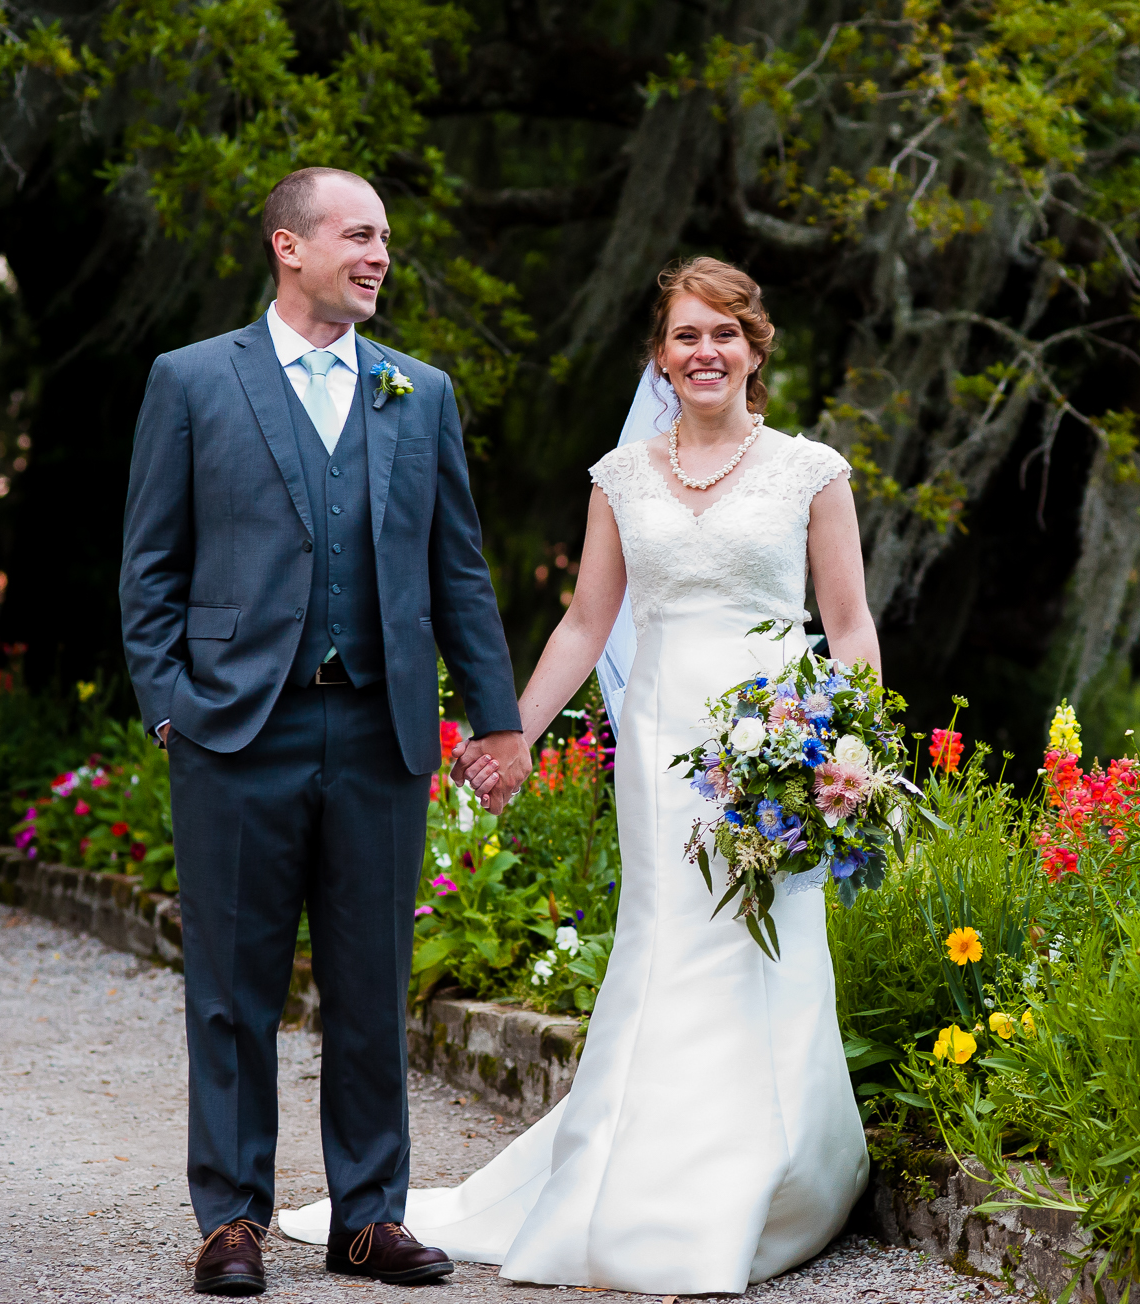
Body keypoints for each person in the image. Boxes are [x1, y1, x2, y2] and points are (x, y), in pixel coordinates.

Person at [278, 256, 878, 1292]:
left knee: (760, 950)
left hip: (779, 747)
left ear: (755, 347)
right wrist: (510, 732)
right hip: (658, 748)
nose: (704, 352)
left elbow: (850, 621)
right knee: (666, 949)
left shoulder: (812, 472)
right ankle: (638, 1179)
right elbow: (587, 621)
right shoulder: (621, 478)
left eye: (724, 334)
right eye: (686, 336)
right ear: (660, 353)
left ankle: (766, 1177)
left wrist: (854, 745)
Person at [119, 166, 532, 1296]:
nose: (378, 254)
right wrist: (171, 707)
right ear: (286, 246)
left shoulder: (420, 391)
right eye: (357, 234)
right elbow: (149, 566)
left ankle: (367, 1217)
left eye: (385, 238)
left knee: (370, 982)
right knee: (231, 988)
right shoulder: (194, 380)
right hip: (233, 733)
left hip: (378, 733)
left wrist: (494, 718)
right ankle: (231, 1220)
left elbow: (458, 568)